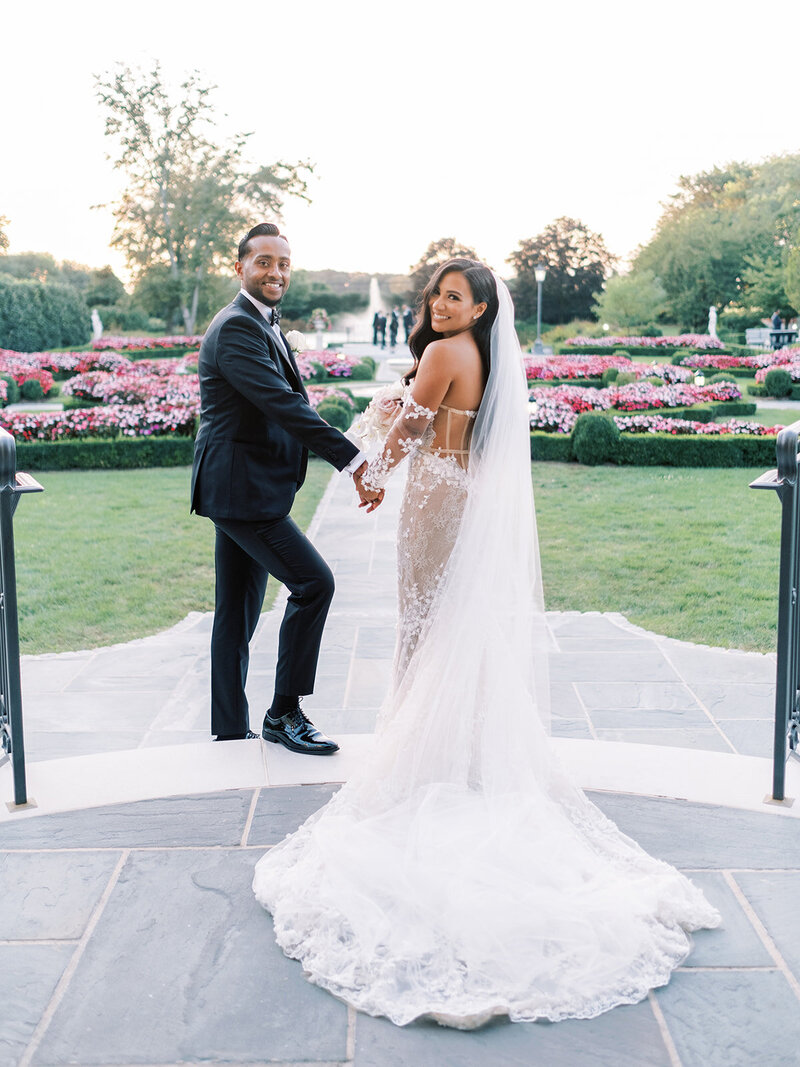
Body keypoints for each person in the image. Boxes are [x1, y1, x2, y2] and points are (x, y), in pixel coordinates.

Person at [253, 260, 719, 1027]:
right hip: (460, 499)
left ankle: (419, 766)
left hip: (435, 502)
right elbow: (434, 422)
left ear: (479, 308)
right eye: (436, 293)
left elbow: (406, 431)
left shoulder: (442, 354)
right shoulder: (480, 356)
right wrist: (392, 426)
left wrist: (370, 470)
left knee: (424, 633)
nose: (441, 304)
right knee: (447, 633)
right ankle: (455, 757)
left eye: (455, 296)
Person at [191, 222, 380, 751]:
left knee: (236, 610)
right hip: (243, 492)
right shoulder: (236, 328)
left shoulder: (262, 322)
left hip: (240, 488)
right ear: (241, 267)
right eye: (265, 262)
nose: (276, 272)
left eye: (284, 264)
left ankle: (230, 727)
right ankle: (284, 714)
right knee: (314, 584)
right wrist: (355, 462)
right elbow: (283, 404)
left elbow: (283, 403)